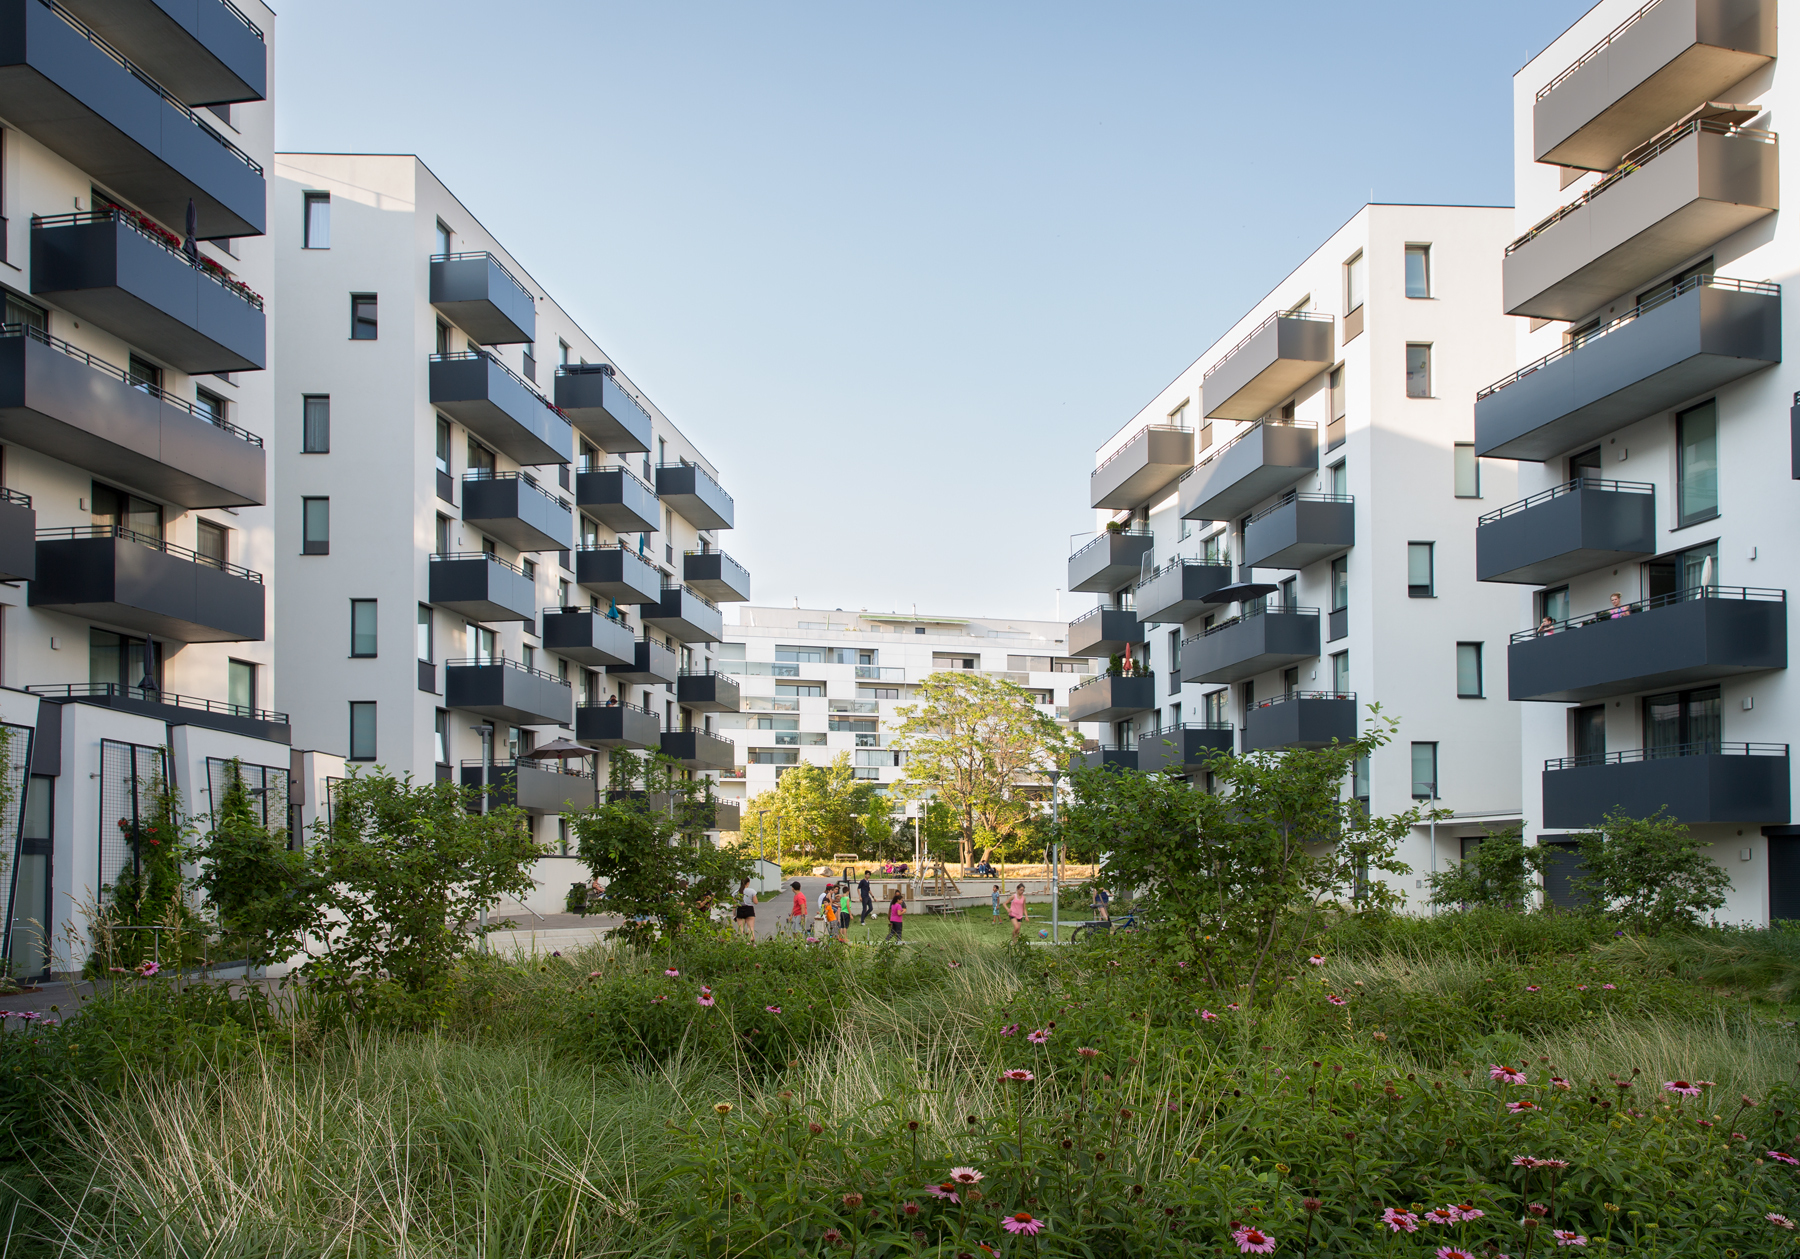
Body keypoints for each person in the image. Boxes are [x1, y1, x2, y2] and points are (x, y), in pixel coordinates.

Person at [734, 877, 757, 941]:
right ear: (748, 883)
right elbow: (755, 902)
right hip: (749, 909)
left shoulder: (736, 892)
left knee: (740, 929)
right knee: (750, 928)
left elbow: (734, 904)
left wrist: (734, 914)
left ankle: (740, 943)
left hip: (740, 909)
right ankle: (751, 943)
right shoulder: (751, 891)